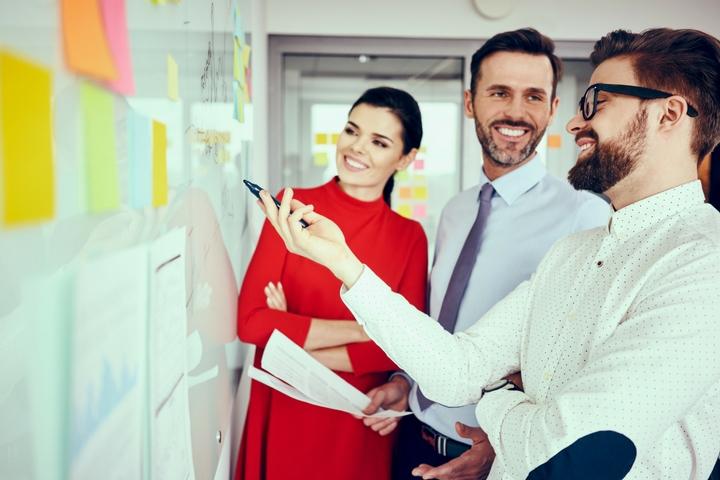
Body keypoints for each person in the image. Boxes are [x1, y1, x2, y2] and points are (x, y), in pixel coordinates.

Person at [257, 27, 720, 479]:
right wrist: (344, 262)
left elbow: (567, 456)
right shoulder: (570, 253)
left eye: (595, 102)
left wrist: (496, 399)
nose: (576, 123)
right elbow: (455, 371)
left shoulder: (704, 264)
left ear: (668, 114)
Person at [364, 28, 610, 480]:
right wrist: (405, 382)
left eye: (534, 96)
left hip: (494, 461)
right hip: (412, 438)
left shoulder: (586, 216)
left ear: (554, 109)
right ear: (470, 101)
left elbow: (583, 362)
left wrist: (503, 447)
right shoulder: (456, 210)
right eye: (499, 92)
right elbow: (443, 320)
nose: (516, 112)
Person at [234, 86, 428, 480]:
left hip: (358, 421)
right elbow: (251, 324)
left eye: (379, 141)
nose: (357, 148)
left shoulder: (409, 236)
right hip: (285, 411)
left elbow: (398, 351)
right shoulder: (291, 209)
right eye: (352, 131)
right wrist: (363, 329)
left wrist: (290, 338)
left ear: (405, 159)